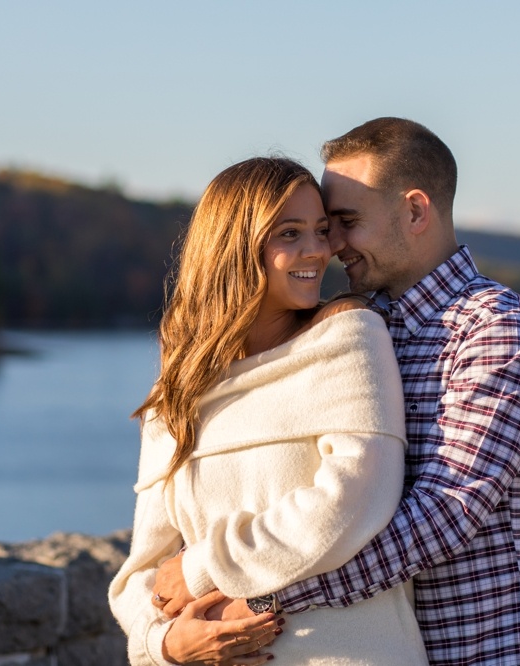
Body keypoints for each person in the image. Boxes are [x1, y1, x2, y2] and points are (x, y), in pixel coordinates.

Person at [158, 119, 520, 664]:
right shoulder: (360, 328)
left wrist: (261, 597)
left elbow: (442, 516)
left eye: (346, 222)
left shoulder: (499, 331)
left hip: (502, 651)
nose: (330, 245)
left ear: (414, 211)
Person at [108, 156, 429, 665]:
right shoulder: (178, 390)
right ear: (234, 246)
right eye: (290, 233)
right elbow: (143, 570)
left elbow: (354, 500)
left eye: (321, 231)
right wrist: (163, 644)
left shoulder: (347, 337)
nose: (318, 251)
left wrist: (204, 567)